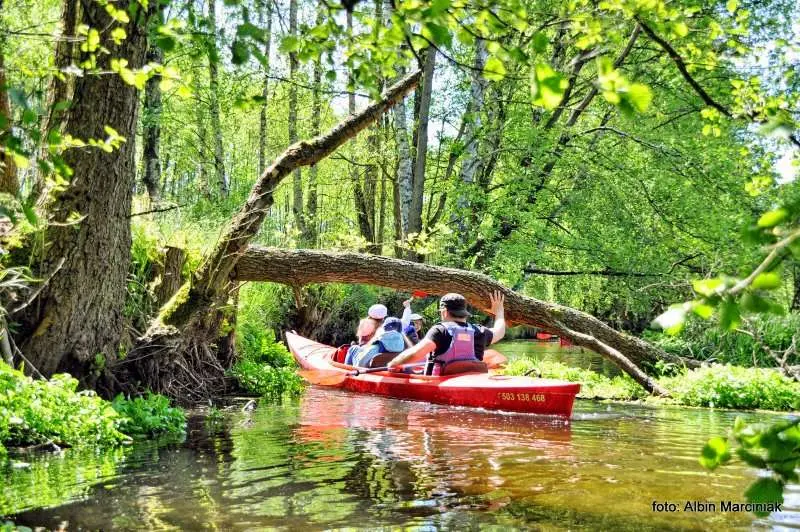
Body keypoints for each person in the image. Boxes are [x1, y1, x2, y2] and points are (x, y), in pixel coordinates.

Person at [387, 291, 506, 376]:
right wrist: (499, 311)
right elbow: (499, 332)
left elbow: (416, 353)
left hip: (442, 382)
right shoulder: (479, 331)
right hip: (473, 379)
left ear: (444, 312)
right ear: (464, 312)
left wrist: (394, 363)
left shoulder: (440, 330)